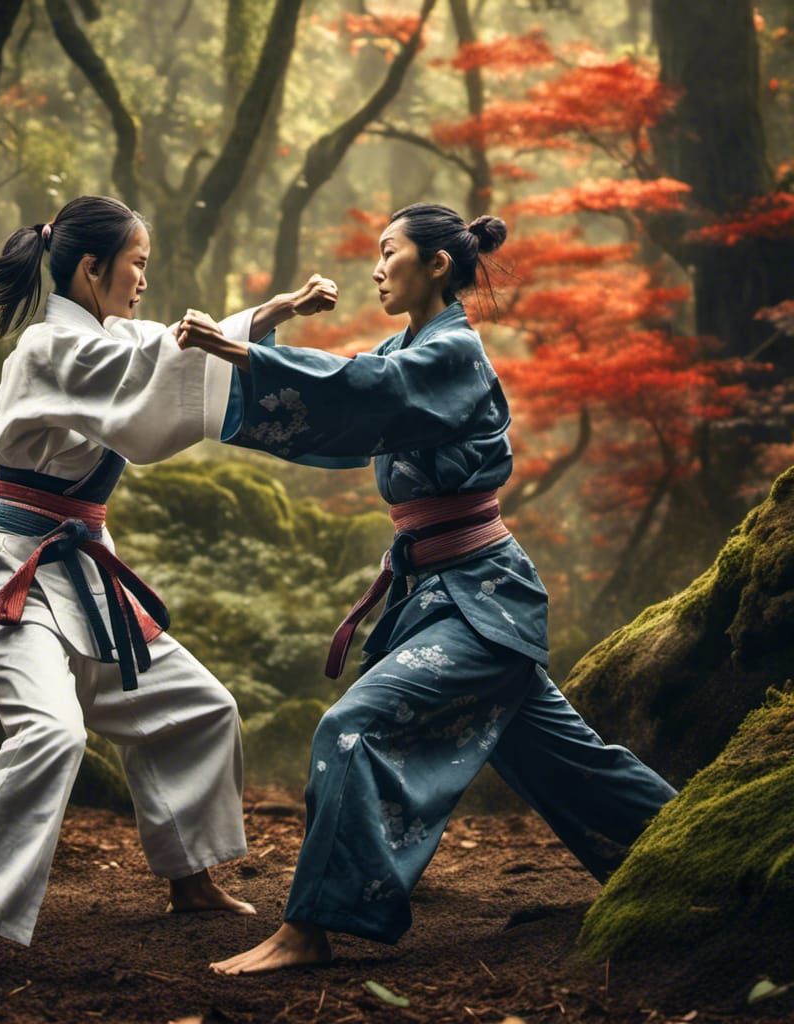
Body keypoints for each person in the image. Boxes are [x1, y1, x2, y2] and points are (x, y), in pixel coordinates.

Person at [175, 202, 678, 974]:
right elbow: (341, 402)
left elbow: (369, 388)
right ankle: (698, 856)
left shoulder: (455, 356)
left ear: (436, 264)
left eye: (389, 252)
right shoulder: (406, 349)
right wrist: (260, 340)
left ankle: (310, 927)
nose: (376, 268)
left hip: (480, 602)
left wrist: (249, 356)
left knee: (351, 727)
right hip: (440, 601)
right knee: (575, 766)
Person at [0, 195, 339, 980]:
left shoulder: (108, 337)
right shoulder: (50, 349)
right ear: (93, 268)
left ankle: (189, 880)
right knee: (52, 735)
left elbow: (163, 352)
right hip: (18, 581)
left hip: (86, 576)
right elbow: (154, 380)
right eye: (137, 265)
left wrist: (269, 313)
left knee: (197, 707)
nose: (144, 281)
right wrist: (249, 326)